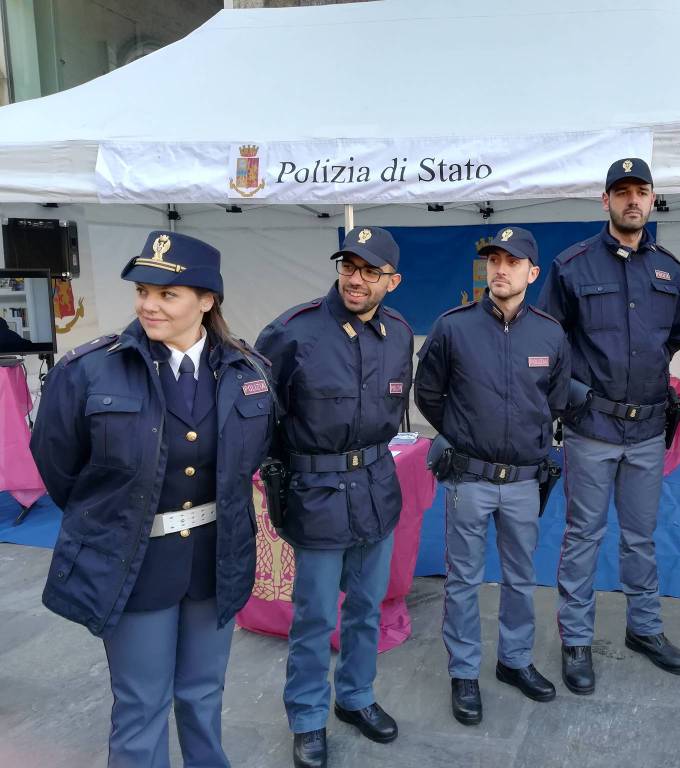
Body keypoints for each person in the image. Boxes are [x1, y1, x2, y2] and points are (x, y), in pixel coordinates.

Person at [30, 231, 274, 767]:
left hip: (216, 558)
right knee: (142, 703)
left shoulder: (248, 371)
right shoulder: (89, 369)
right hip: (134, 560)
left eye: (169, 294)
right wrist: (117, 517)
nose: (149, 304)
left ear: (207, 300)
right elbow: (58, 465)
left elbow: (250, 458)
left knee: (203, 694)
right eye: (143, 290)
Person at [256, 226, 413, 768]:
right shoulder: (291, 332)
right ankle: (306, 716)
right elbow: (260, 415)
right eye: (349, 266)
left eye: (370, 272)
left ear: (392, 282)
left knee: (367, 609)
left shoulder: (398, 334)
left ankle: (356, 697)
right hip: (316, 492)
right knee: (315, 616)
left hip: (374, 488)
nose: (356, 279)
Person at [538, 157, 680, 695]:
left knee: (641, 538)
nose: (632, 200)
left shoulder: (669, 270)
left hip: (647, 432)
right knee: (583, 536)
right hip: (592, 431)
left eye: (641, 191)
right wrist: (577, 399)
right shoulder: (572, 265)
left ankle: (644, 629)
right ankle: (576, 639)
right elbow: (548, 345)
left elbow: (673, 337)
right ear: (605, 200)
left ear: (652, 199)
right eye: (621, 191)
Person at [415, 226, 570, 725]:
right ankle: (464, 672)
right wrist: (463, 432)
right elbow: (429, 393)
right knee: (463, 581)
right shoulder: (453, 327)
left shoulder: (549, 332)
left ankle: (514, 661)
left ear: (533, 272)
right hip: (470, 479)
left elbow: (555, 399)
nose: (500, 268)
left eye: (512, 260)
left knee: (522, 579)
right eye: (493, 260)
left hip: (525, 481)